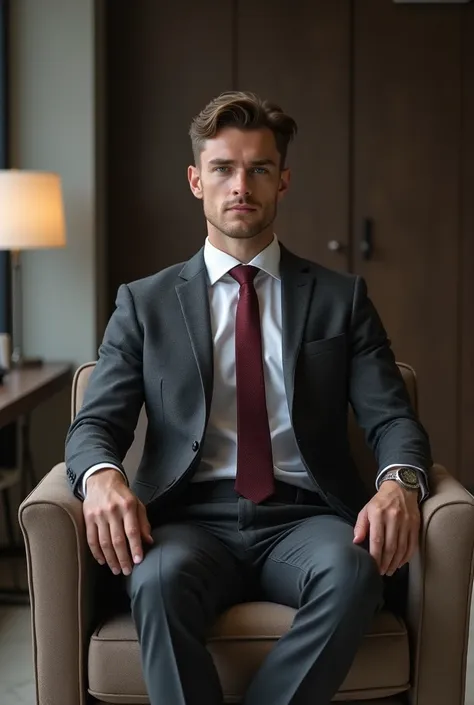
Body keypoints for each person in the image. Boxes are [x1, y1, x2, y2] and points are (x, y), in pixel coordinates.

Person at [65, 91, 432, 705]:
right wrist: (101, 476)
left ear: (282, 180)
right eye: (223, 169)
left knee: (355, 572)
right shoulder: (145, 303)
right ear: (195, 180)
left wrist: (399, 482)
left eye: (259, 169)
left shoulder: (340, 299)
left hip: (305, 516)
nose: (241, 185)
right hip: (186, 520)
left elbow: (392, 416)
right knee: (154, 584)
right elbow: (95, 423)